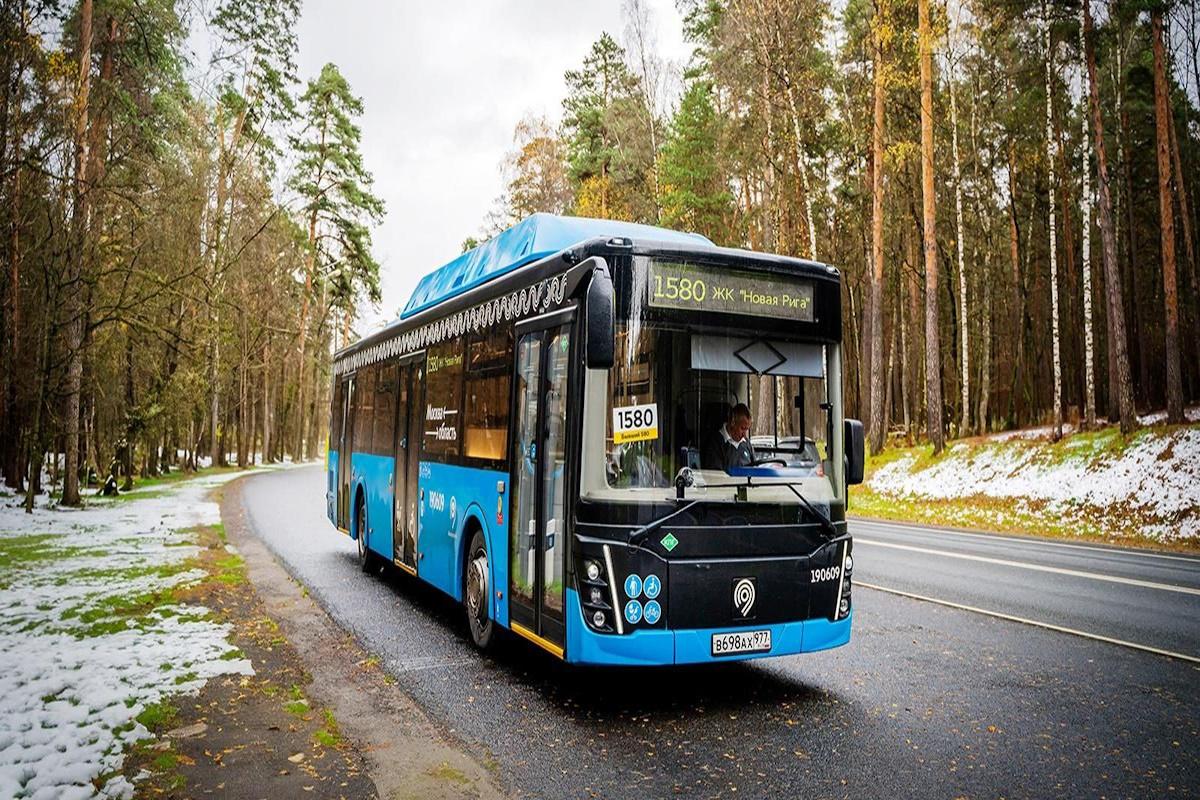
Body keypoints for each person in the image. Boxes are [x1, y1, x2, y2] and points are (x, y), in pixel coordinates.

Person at [701, 403, 755, 471]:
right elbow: (715, 475)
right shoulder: (716, 443)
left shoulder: (747, 444)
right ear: (732, 422)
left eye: (746, 429)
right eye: (742, 428)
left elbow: (755, 468)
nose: (744, 435)